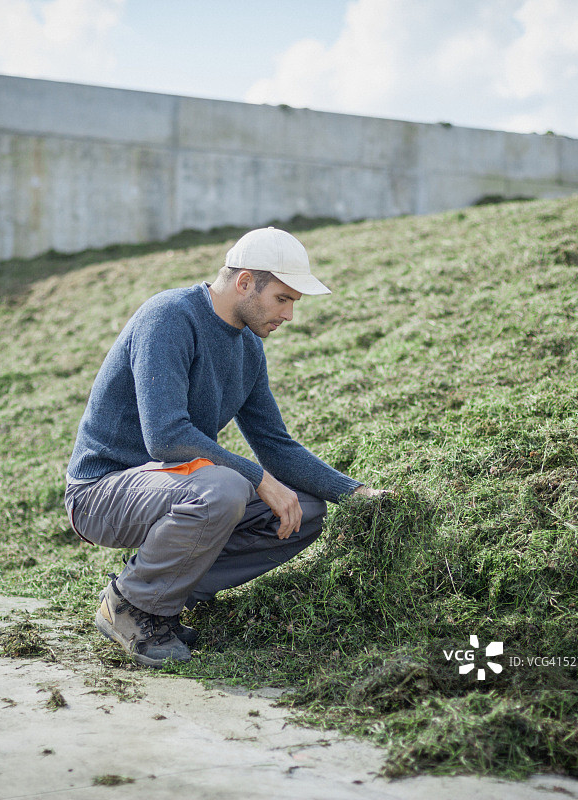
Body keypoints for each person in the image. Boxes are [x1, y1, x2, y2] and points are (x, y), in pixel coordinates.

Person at [64, 227, 384, 668]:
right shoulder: (170, 316)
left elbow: (276, 445)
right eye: (283, 299)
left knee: (303, 511)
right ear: (246, 282)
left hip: (169, 487)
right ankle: (130, 606)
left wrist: (358, 495)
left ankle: (164, 597)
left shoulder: (249, 348)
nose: (289, 315)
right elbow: (167, 436)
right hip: (101, 493)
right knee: (224, 489)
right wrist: (258, 479)